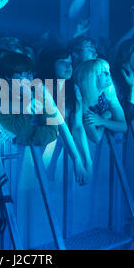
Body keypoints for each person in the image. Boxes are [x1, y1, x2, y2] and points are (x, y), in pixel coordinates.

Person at [37, 46, 93, 184]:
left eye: (70, 62)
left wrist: (88, 160)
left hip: (55, 149)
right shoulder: (40, 87)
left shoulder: (73, 88)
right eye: (63, 61)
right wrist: (77, 160)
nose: (69, 66)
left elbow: (78, 126)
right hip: (35, 149)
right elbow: (60, 125)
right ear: (50, 64)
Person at [75, 58, 127, 144]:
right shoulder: (82, 102)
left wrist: (102, 121)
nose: (108, 73)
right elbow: (96, 137)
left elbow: (124, 127)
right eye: (102, 71)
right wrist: (105, 117)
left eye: (108, 70)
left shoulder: (109, 94)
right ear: (91, 78)